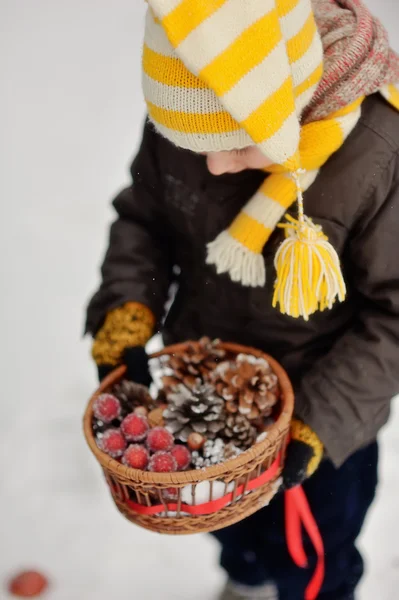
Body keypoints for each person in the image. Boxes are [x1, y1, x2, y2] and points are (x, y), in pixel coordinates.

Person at [85, 1, 399, 598]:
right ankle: (244, 575)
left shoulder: (377, 153)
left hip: (320, 408)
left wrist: (319, 421)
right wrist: (127, 307)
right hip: (204, 392)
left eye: (238, 145)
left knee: (315, 553)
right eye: (194, 143)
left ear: (288, 106)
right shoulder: (190, 105)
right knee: (230, 527)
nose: (214, 164)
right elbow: (144, 218)